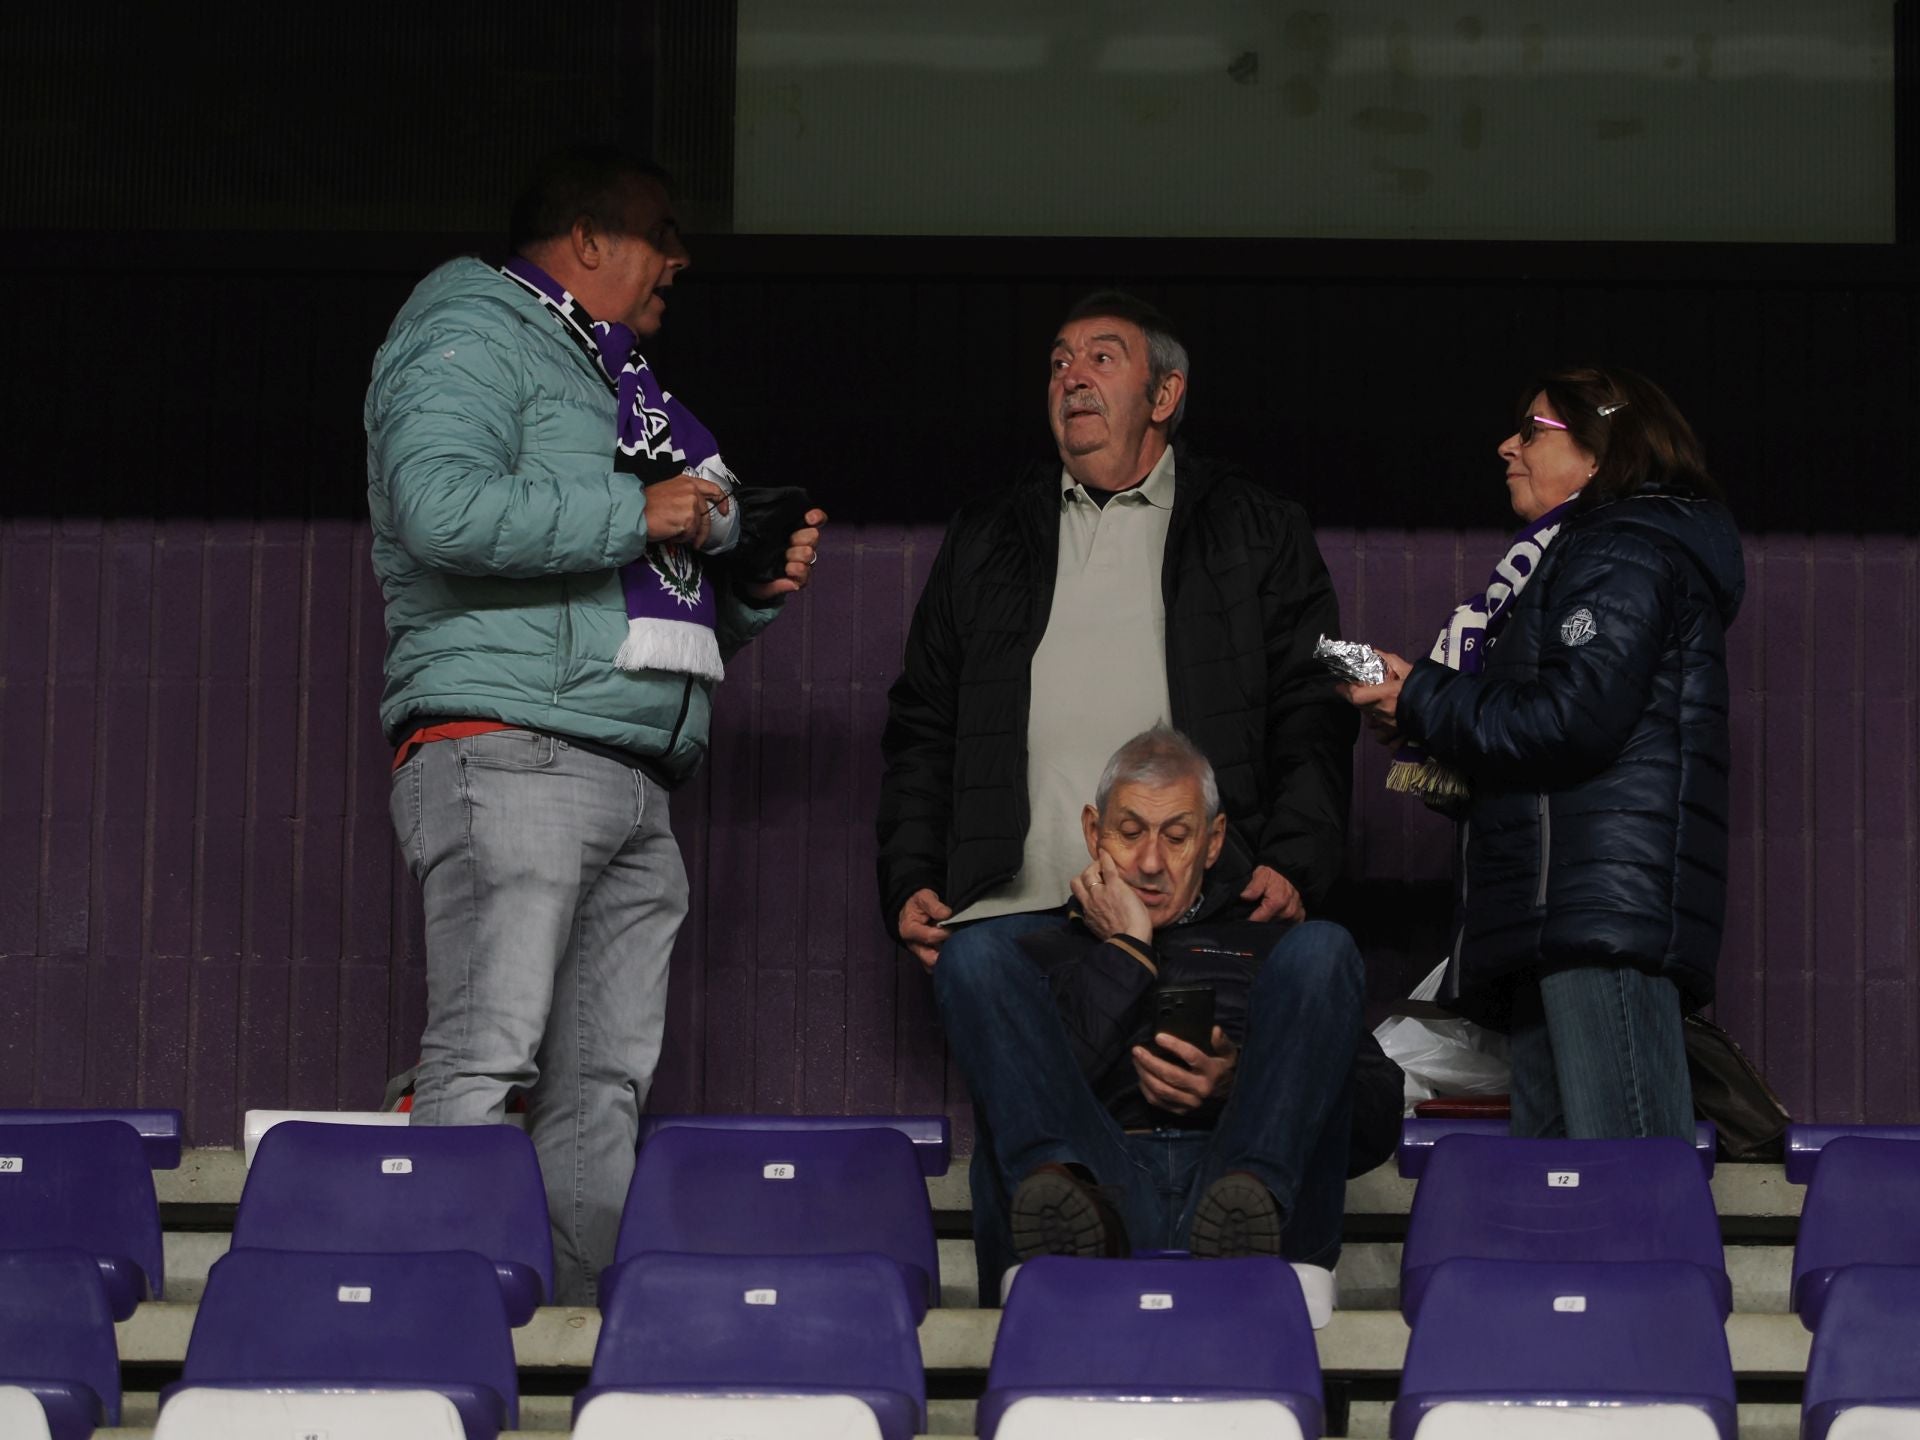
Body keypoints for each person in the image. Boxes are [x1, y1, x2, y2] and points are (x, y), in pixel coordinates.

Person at [366, 143, 826, 1305]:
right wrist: (642, 507)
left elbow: (636, 607)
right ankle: (429, 1333)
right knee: (485, 1055)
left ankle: (570, 1356)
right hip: (507, 746)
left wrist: (751, 590)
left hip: (628, 768)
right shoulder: (469, 324)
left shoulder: (617, 385)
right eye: (659, 232)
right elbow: (441, 506)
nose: (678, 258)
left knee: (603, 1088)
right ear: (585, 242)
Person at [876, 288, 1355, 965]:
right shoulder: (987, 534)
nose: (1073, 376)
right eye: (1059, 362)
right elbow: (924, 720)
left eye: (1102, 358)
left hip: (1199, 909)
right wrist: (911, 875)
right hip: (1008, 912)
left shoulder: (1256, 528)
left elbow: (1317, 697)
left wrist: (1294, 859)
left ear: (1164, 397)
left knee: (1193, 1068)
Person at [1342, 366, 1743, 1140]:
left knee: (1626, 1180)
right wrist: (1428, 723)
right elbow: (1556, 738)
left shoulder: (1621, 549)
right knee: (1565, 1195)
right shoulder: (1596, 550)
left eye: (1531, 430)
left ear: (1600, 454)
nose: (1506, 446)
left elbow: (1571, 722)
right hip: (1559, 916)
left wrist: (1426, 696)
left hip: (1599, 917)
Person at [935, 726, 1378, 1281]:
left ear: (1214, 841)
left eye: (1176, 836)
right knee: (972, 952)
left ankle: (1253, 1205)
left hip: (1250, 1197)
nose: (1149, 861)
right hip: (1096, 1191)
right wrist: (1127, 949)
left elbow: (1372, 1124)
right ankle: (1069, 1207)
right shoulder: (1031, 953)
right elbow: (1041, 1086)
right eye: (1129, 832)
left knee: (1325, 944)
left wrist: (1240, 1086)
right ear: (1094, 832)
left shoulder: (1277, 947)